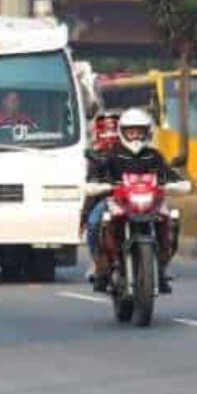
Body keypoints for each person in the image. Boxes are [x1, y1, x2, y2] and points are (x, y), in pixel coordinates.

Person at [86, 107, 185, 293]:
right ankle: (102, 267)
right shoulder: (113, 155)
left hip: (150, 202)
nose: (135, 136)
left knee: (172, 221)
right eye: (131, 131)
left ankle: (161, 268)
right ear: (122, 132)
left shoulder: (154, 155)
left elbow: (169, 174)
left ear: (147, 132)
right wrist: (97, 184)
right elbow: (97, 175)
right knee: (94, 222)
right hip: (117, 201)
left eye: (139, 131)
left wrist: (178, 182)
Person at [82, 113, 121, 288]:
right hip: (107, 201)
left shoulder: (136, 152)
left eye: (114, 128)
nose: (110, 133)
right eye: (106, 129)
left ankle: (158, 263)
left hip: (133, 200)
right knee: (94, 222)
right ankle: (99, 263)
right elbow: (91, 187)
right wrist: (84, 215)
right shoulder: (95, 156)